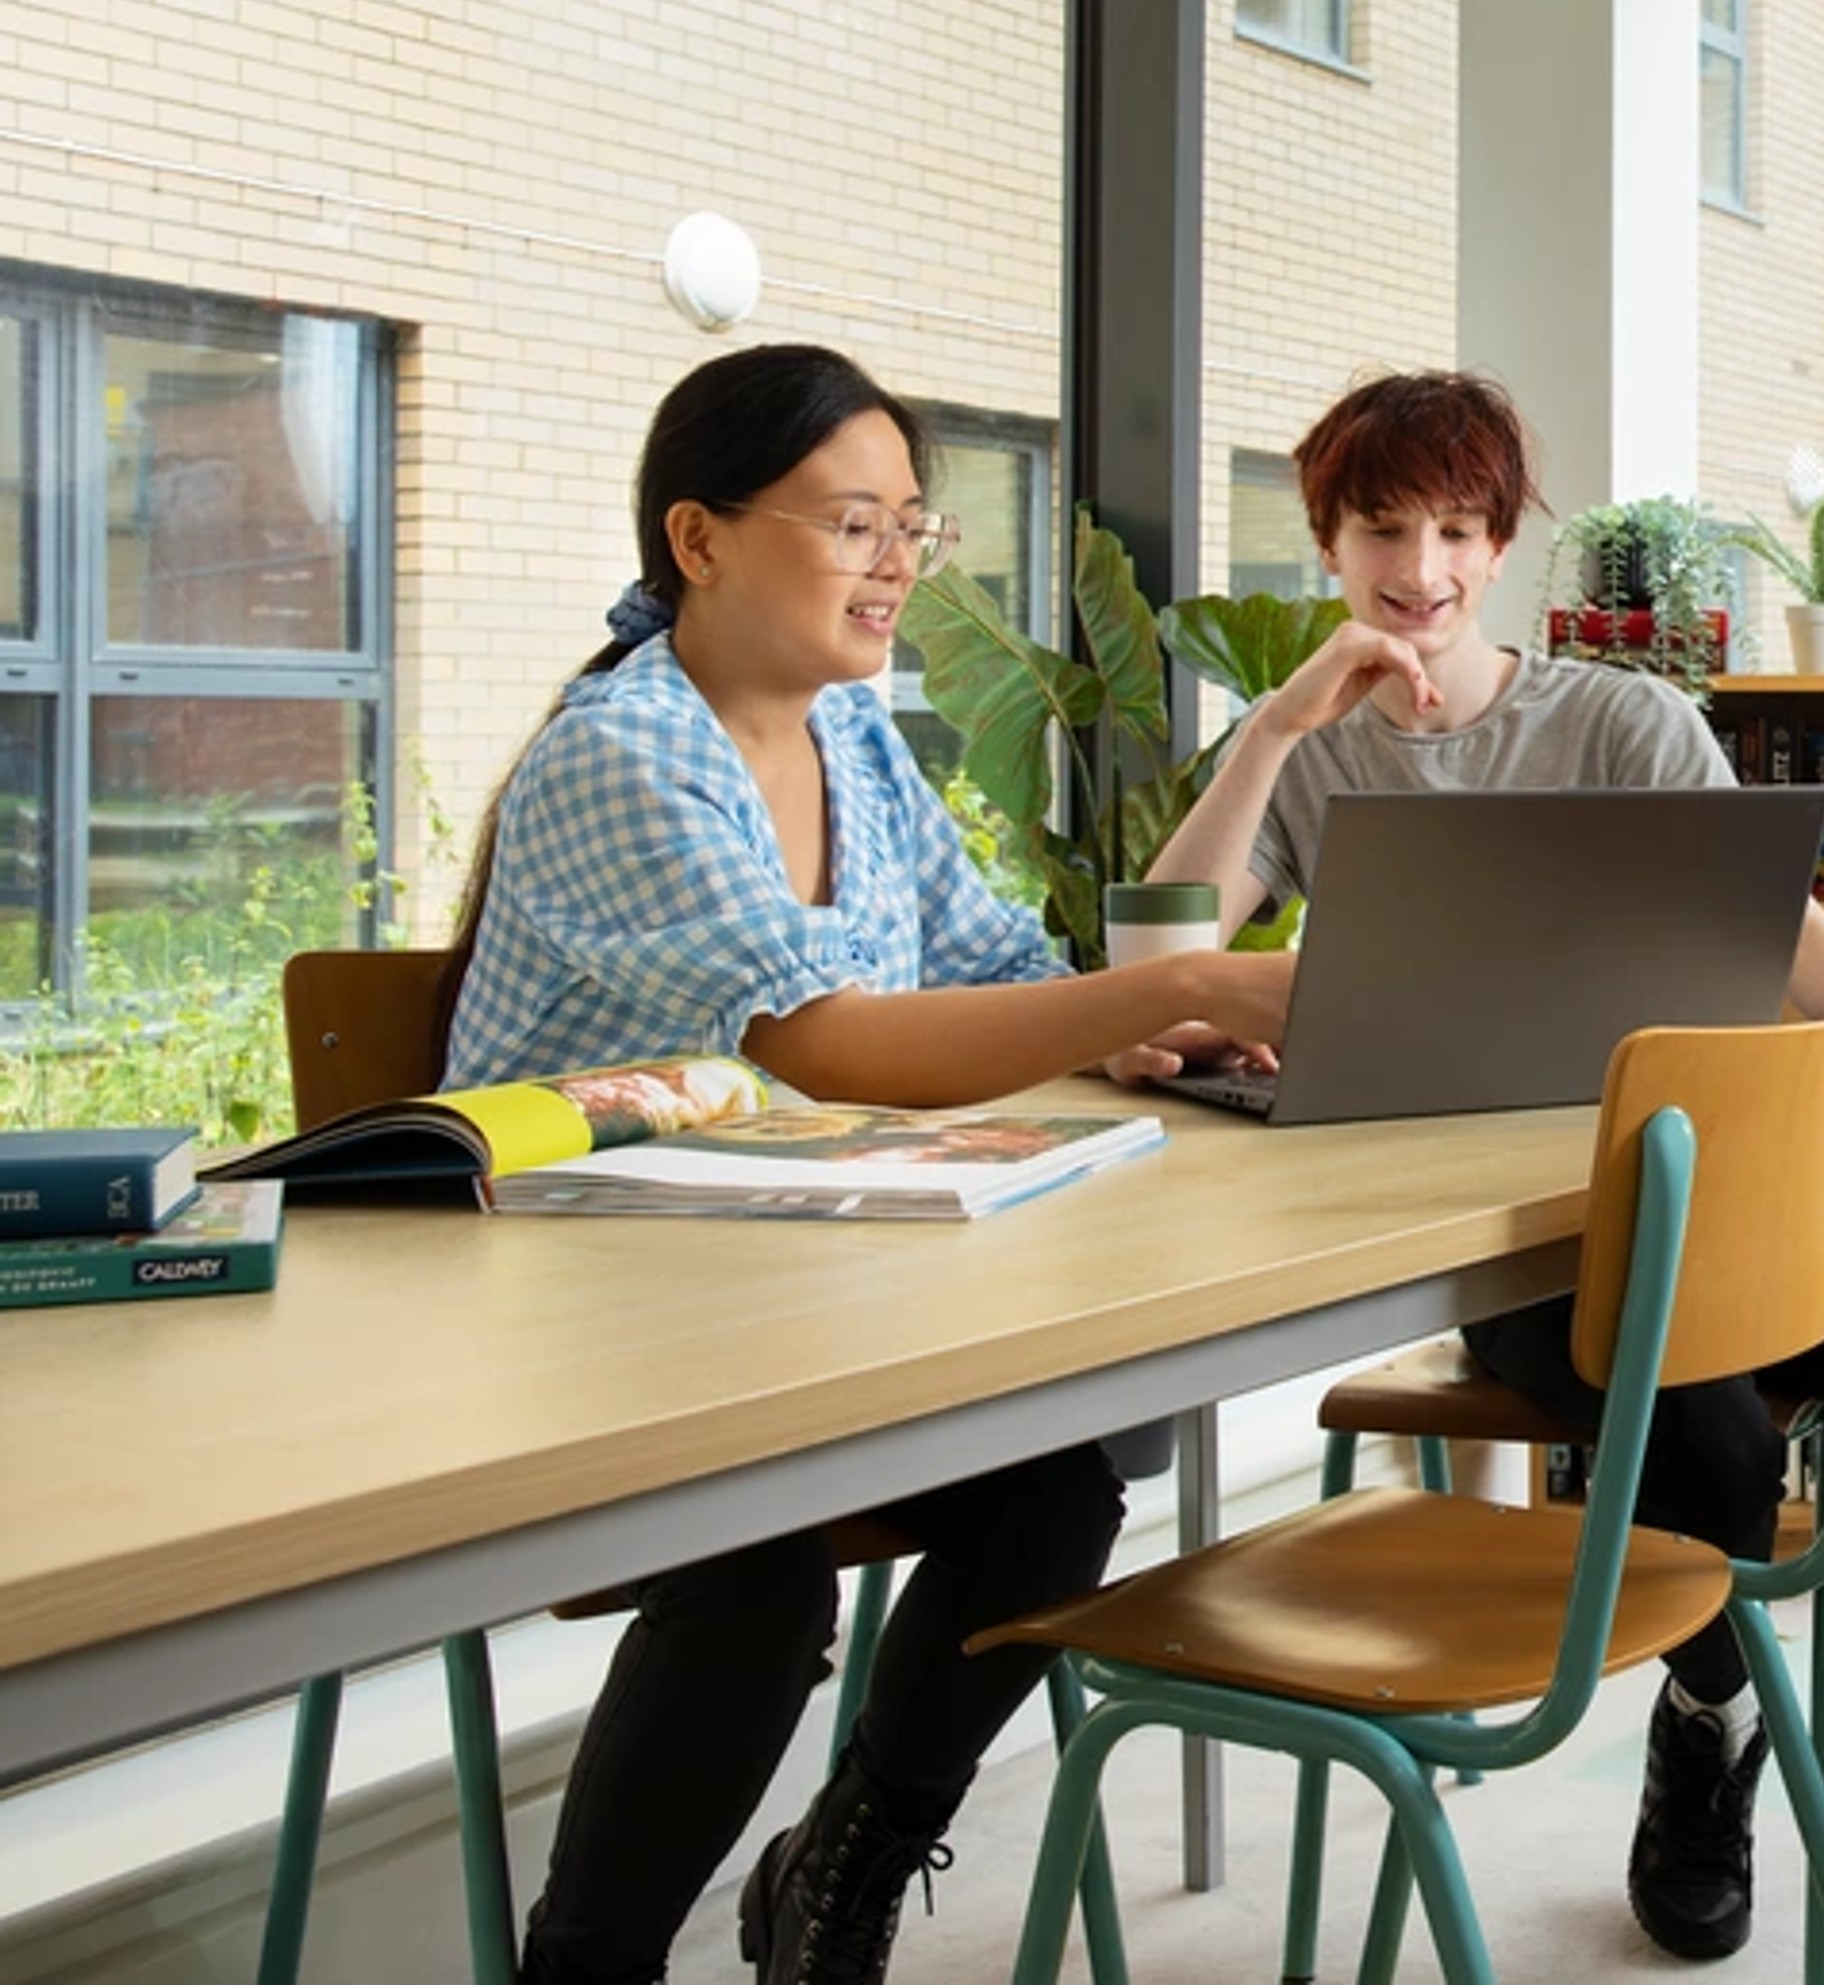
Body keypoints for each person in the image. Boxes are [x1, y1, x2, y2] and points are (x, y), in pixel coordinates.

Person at [1142, 369, 1824, 1985]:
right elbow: (1159, 951)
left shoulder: (1620, 717)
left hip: (1709, 1199)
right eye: (1380, 529)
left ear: (1499, 543)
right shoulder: (1302, 755)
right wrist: (1286, 718)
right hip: (1512, 1249)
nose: (1417, 568)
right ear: (1330, 541)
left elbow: (1779, 940)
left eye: (1453, 529)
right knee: (1696, 1425)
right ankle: (1710, 1714)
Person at [448, 342, 1301, 1985]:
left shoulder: (856, 743)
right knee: (759, 1581)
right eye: (856, 523)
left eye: (915, 526)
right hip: (555, 1315)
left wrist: (1120, 1035)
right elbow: (824, 1039)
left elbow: (983, 962)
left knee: (1064, 1465)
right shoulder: (626, 749)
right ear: (698, 539)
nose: (899, 564)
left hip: (773, 1293)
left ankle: (844, 1866)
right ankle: (585, 1964)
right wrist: (1183, 979)